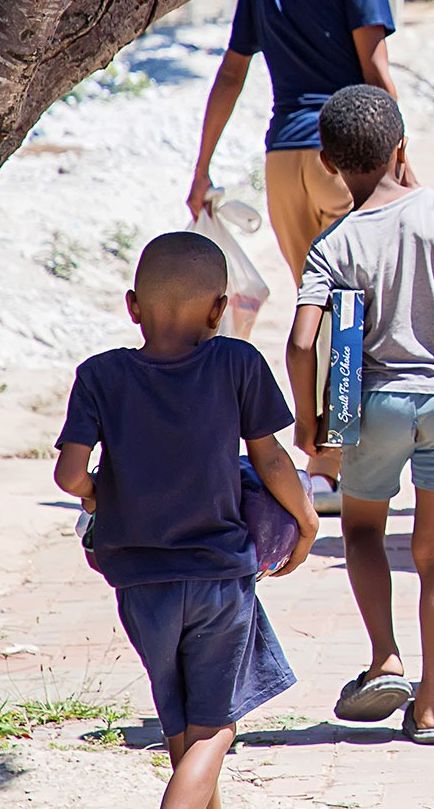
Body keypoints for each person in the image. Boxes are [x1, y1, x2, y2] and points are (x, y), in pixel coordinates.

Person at [286, 85, 434, 743]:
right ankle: (430, 707)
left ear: (329, 164)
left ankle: (386, 656)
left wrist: (310, 425)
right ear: (402, 147)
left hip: (373, 407)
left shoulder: (332, 243)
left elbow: (303, 341)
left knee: (362, 531)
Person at [55, 232, 317, 809]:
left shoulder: (99, 376)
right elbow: (270, 457)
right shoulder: (236, 362)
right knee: (216, 728)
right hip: (218, 574)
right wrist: (306, 518)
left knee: (179, 725)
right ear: (221, 309)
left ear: (133, 306)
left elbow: (70, 476)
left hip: (140, 583)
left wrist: (101, 497)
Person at [187, 0, 398, 283]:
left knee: (316, 303)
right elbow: (375, 71)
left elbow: (230, 77)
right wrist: (399, 153)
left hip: (283, 162)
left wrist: (202, 170)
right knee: (369, 308)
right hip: (348, 155)